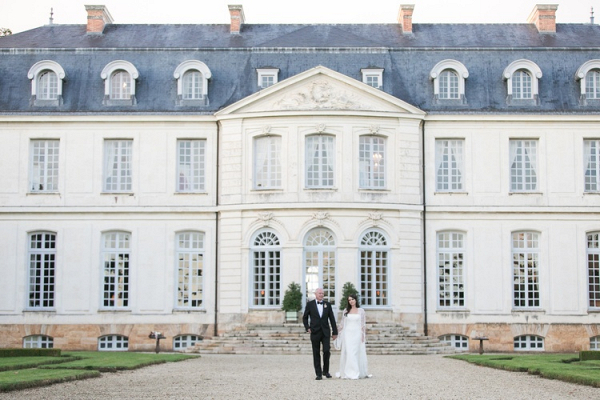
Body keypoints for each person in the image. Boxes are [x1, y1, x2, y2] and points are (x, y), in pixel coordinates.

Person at [303, 287, 338, 380]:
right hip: (315, 332)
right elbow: (305, 317)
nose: (321, 295)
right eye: (319, 293)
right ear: (315, 294)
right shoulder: (310, 304)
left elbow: (332, 319)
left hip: (325, 332)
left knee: (327, 351)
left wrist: (335, 332)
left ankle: (326, 371)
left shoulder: (328, 304)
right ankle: (318, 373)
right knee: (316, 352)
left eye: (322, 293)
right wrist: (307, 327)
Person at [336, 293, 370, 379]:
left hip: (357, 334)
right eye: (349, 300)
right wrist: (336, 332)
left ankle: (355, 372)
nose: (351, 301)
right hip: (348, 334)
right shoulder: (346, 311)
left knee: (355, 352)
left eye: (352, 299)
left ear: (356, 300)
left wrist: (363, 335)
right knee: (349, 352)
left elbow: (363, 325)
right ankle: (350, 372)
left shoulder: (361, 311)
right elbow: (342, 324)